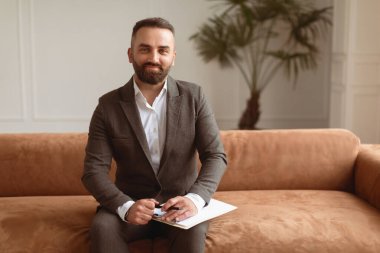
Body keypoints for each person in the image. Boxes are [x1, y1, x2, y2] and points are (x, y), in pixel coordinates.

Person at [82, 17, 227, 253]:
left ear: (173, 57)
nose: (154, 58)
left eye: (163, 50)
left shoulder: (195, 97)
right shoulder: (107, 106)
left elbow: (215, 156)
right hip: (130, 205)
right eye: (145, 49)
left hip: (182, 206)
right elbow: (93, 171)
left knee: (193, 234)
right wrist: (125, 206)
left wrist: (194, 199)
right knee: (103, 228)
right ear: (130, 54)